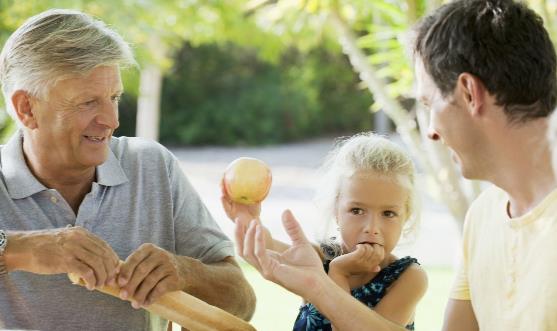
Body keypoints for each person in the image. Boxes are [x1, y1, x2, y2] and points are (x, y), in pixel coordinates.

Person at [227, 0, 557, 330]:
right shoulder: (484, 215)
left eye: (429, 103)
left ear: (470, 93)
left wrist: (323, 286)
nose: (431, 130)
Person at [0, 9, 255, 331]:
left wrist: (187, 273)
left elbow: (242, 304)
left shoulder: (151, 166)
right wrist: (20, 248)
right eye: (87, 102)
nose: (112, 120)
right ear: (27, 108)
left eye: (114, 97)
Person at [222, 133, 428, 330]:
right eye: (357, 210)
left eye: (388, 214)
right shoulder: (320, 259)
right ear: (336, 211)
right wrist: (246, 218)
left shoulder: (408, 278)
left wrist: (338, 273)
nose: (372, 228)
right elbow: (266, 248)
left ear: (406, 216)